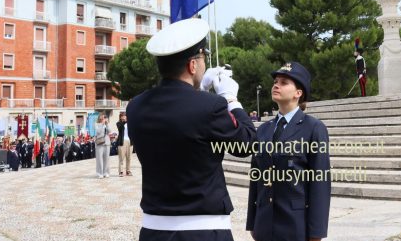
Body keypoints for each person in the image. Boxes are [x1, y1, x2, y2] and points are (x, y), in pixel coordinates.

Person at [128, 18, 256, 241]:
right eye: (203, 59)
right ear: (193, 65)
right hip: (203, 231)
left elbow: (182, 119)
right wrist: (230, 99)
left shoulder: (135, 106)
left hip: (153, 230)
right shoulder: (211, 106)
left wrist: (201, 93)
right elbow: (246, 144)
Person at [246, 61, 331, 241]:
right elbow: (256, 179)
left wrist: (316, 233)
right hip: (264, 226)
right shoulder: (263, 130)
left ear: (298, 93)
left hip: (295, 227)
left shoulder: (313, 128)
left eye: (284, 82)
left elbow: (320, 184)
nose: (276, 85)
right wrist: (253, 222)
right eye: (275, 82)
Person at [94, 113, 111, 179]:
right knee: (99, 159)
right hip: (99, 143)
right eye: (103, 117)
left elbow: (109, 131)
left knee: (106, 158)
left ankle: (106, 172)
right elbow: (98, 132)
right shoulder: (96, 124)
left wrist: (107, 124)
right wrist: (102, 124)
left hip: (107, 143)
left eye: (105, 117)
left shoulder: (106, 124)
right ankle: (100, 173)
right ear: (100, 118)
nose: (104, 119)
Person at [116, 112, 132, 177]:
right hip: (122, 142)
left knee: (129, 157)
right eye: (122, 116)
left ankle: (128, 171)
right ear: (120, 117)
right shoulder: (119, 123)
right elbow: (120, 128)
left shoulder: (130, 123)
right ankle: (121, 172)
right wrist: (124, 121)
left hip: (130, 141)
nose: (124, 117)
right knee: (121, 158)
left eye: (125, 116)